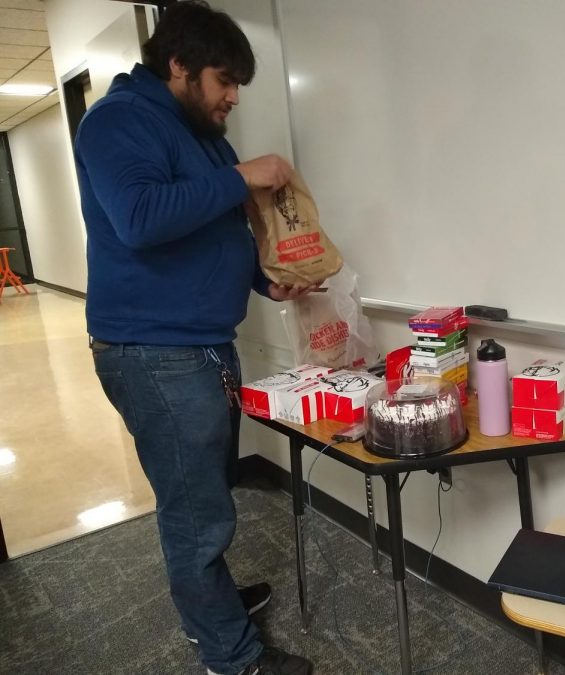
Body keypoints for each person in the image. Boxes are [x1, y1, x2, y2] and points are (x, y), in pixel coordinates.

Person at [74, 2, 313, 674]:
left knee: (204, 493)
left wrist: (271, 283)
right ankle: (231, 656)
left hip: (201, 347)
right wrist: (239, 176)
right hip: (155, 354)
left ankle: (210, 606)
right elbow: (142, 218)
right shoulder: (117, 122)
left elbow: (220, 230)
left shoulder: (205, 134)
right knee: (195, 513)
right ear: (178, 65)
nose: (232, 97)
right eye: (223, 79)